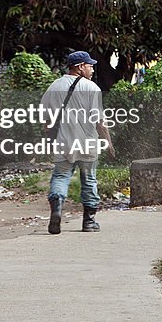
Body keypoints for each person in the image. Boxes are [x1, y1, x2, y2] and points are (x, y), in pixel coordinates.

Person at [41, 50, 115, 234]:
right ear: (80, 67)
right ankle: (89, 222)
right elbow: (100, 121)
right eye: (90, 66)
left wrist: (49, 139)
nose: (92, 69)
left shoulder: (54, 86)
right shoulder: (92, 88)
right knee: (89, 180)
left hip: (64, 143)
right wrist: (109, 142)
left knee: (60, 177)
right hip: (88, 144)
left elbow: (46, 119)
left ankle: (57, 205)